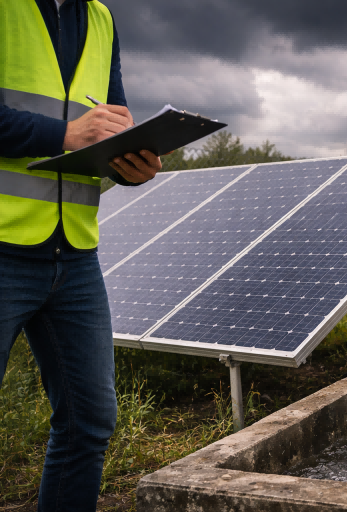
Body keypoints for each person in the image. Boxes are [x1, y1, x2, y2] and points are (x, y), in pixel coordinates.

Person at [0, 0, 162, 510]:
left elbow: (108, 121)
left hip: (74, 254)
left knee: (89, 422)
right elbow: (72, 131)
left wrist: (129, 162)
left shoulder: (101, 18)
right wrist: (65, 134)